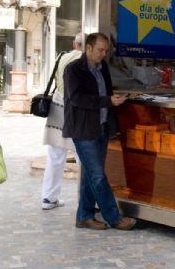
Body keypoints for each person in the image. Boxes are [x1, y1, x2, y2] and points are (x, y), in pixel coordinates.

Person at [63, 32, 136, 231]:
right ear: (88, 49)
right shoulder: (73, 69)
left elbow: (105, 94)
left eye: (106, 50)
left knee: (90, 175)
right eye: (100, 50)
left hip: (101, 127)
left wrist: (114, 100)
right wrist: (108, 101)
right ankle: (114, 217)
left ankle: (84, 216)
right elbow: (78, 99)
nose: (104, 54)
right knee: (97, 176)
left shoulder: (103, 68)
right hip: (83, 129)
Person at [40, 33, 84, 210]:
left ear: (75, 44)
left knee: (55, 156)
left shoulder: (61, 56)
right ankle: (85, 199)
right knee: (84, 156)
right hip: (77, 111)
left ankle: (49, 198)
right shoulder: (84, 59)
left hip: (58, 108)